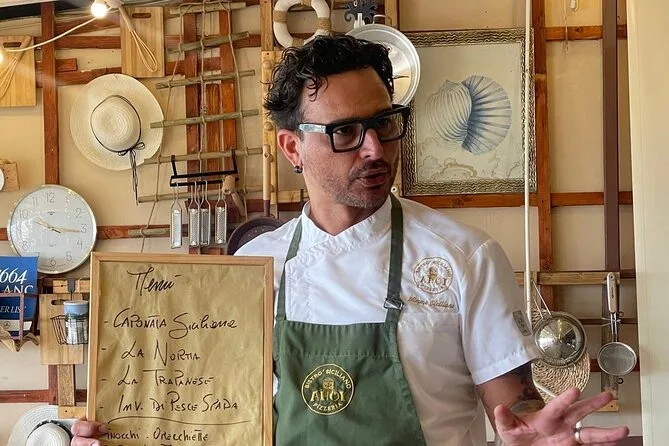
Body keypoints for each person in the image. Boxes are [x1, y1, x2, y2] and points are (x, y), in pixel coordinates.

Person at [71, 35, 630, 446]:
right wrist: (125, 432)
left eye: (383, 123)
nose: (374, 149)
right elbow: (212, 418)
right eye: (344, 131)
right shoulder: (252, 266)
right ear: (292, 149)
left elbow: (515, 407)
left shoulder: (463, 257)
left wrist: (533, 430)